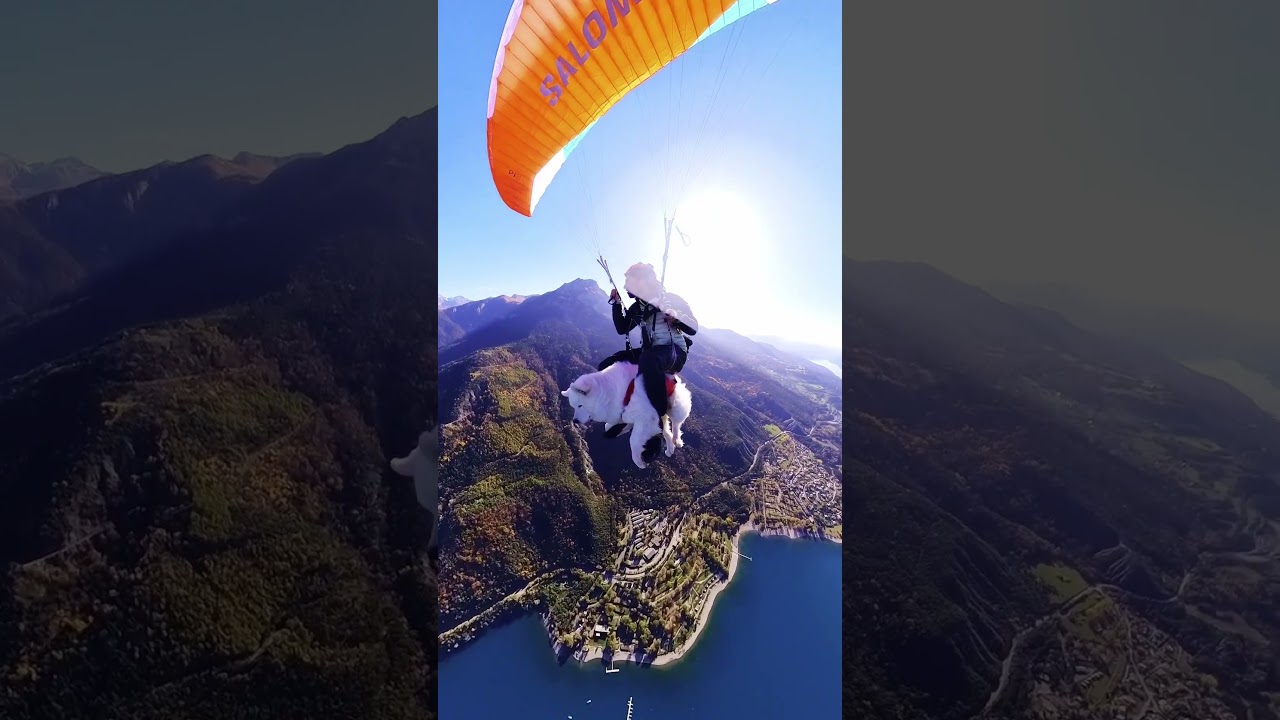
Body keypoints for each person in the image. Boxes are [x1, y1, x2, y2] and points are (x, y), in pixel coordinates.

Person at [599, 263, 697, 445]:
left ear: (645, 280)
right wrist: (617, 304)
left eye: (632, 281)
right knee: (609, 364)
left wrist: (676, 318)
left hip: (674, 351)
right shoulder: (638, 308)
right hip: (651, 352)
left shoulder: (670, 300)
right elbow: (623, 328)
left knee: (649, 360)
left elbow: (693, 328)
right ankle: (623, 410)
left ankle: (657, 417)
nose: (629, 285)